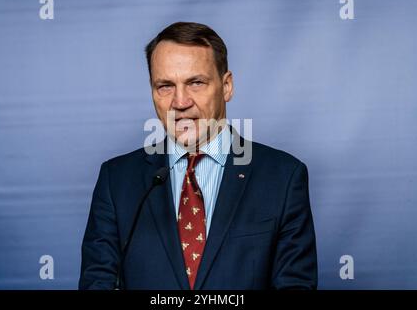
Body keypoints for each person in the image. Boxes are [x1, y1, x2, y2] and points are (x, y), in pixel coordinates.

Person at [79, 22, 317, 290]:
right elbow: (97, 282)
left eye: (196, 83)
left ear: (226, 86)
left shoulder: (283, 177)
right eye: (165, 86)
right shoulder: (116, 180)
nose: (180, 102)